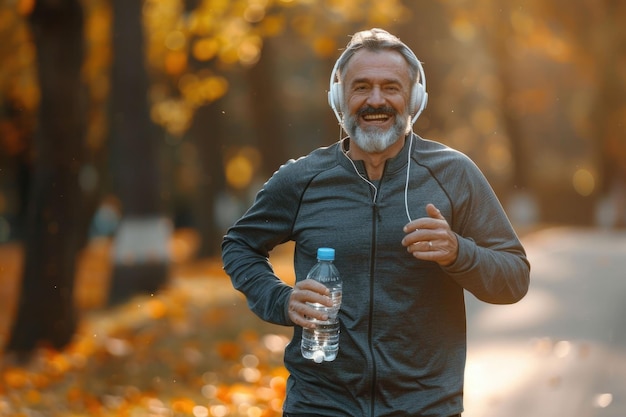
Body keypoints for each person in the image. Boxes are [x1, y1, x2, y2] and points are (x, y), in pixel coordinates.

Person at [222, 28, 530, 417]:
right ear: (339, 98)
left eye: (391, 87)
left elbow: (515, 278)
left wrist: (458, 252)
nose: (376, 100)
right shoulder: (303, 179)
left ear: (414, 98)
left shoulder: (454, 174)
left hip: (425, 407)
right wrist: (279, 300)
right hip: (319, 404)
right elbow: (239, 245)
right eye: (361, 87)